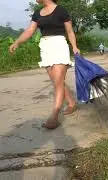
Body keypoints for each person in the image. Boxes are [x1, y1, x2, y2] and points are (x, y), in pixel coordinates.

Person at [9, 0, 80, 129]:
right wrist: (17, 42)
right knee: (57, 82)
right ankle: (71, 104)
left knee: (58, 82)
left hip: (59, 45)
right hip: (45, 47)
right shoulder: (37, 13)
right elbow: (30, 30)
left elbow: (69, 32)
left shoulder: (61, 10)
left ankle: (54, 117)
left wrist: (74, 47)